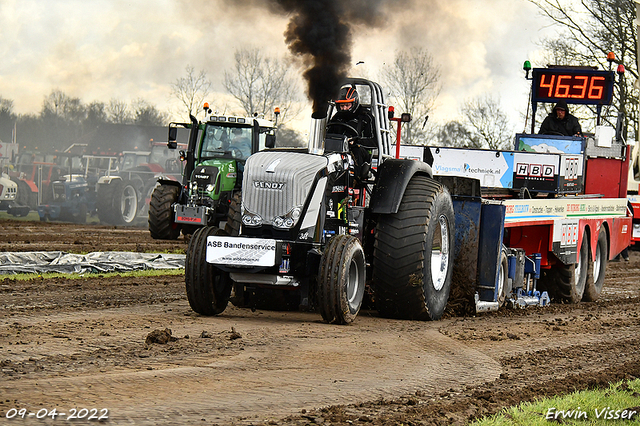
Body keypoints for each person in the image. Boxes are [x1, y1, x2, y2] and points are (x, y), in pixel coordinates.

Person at [327, 84, 376, 180]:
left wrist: (357, 141)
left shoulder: (366, 117)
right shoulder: (336, 118)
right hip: (337, 151)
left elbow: (375, 141)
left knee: (356, 149)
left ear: (354, 103)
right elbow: (328, 135)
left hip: (360, 152)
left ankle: (354, 179)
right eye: (342, 105)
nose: (344, 108)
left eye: (347, 105)